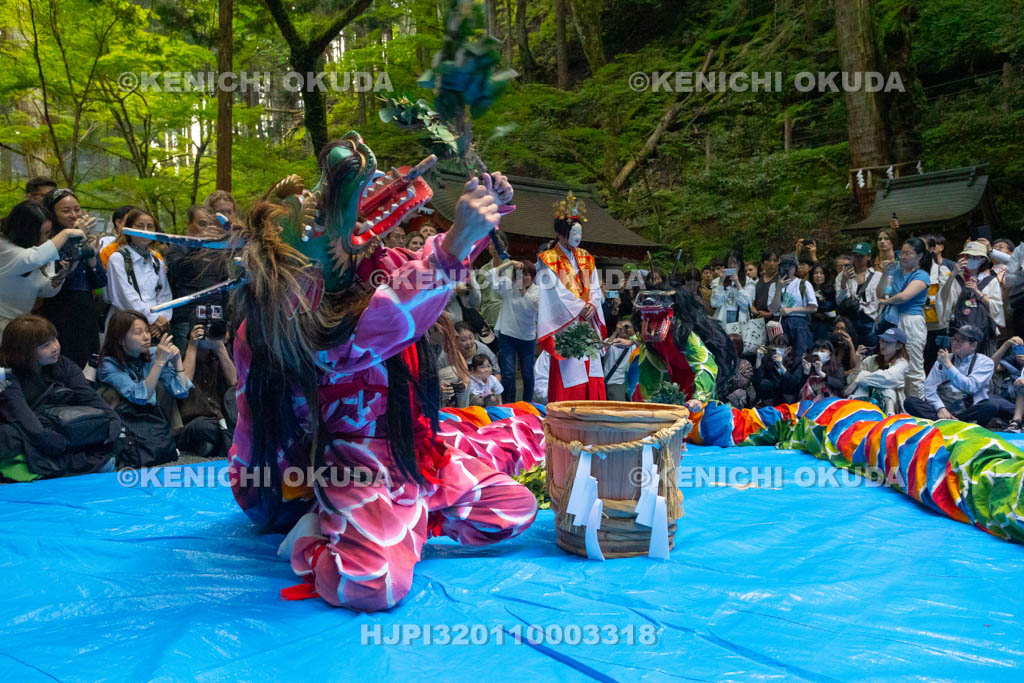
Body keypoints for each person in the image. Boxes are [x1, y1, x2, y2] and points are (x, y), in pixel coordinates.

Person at [0, 315, 121, 479]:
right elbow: (22, 415)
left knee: (104, 425)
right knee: (10, 438)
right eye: (45, 345)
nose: (55, 347)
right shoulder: (7, 373)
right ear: (26, 351)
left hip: (59, 422)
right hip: (29, 428)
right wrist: (46, 438)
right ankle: (86, 463)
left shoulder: (63, 364)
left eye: (54, 340)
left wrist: (112, 418)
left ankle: (80, 462)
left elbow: (87, 394)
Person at [96, 310, 192, 465]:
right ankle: (122, 447)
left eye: (147, 331)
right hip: (125, 416)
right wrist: (160, 363)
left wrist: (177, 360)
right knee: (109, 393)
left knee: (161, 385)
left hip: (148, 413)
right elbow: (139, 397)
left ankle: (168, 439)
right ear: (120, 339)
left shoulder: (154, 353)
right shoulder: (108, 364)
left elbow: (181, 392)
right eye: (138, 332)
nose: (146, 337)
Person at [536, 192, 606, 402]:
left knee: (591, 369)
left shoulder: (586, 257)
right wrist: (579, 307)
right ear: (560, 234)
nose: (577, 237)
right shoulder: (548, 259)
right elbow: (554, 292)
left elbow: (594, 285)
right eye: (572, 233)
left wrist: (593, 302)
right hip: (566, 323)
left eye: (579, 232)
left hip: (587, 321)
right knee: (570, 371)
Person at [36, 188, 106, 368]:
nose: (74, 215)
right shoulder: (48, 242)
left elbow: (100, 281)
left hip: (86, 309)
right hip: (60, 308)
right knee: (65, 362)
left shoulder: (86, 237)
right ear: (52, 213)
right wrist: (73, 237)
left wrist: (91, 257)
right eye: (66, 211)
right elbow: (55, 275)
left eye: (77, 209)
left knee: (89, 363)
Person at [0, 201, 81, 334]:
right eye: (40, 234)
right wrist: (66, 233)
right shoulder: (4, 246)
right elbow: (31, 259)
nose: (45, 239)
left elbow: (45, 291)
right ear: (24, 232)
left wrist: (58, 279)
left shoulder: (42, 252)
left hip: (20, 322)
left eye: (48, 233)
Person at [165, 205, 230, 353]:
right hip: (186, 319)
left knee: (216, 367)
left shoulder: (217, 252)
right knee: (184, 366)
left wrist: (227, 322)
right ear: (189, 224)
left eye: (209, 224)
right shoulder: (178, 247)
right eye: (202, 224)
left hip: (215, 317)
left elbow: (225, 287)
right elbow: (178, 270)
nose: (206, 228)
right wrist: (197, 245)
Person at [903, 325, 996, 426]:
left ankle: (947, 422)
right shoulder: (942, 359)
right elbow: (929, 387)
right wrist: (940, 408)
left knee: (989, 406)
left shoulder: (985, 362)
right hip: (944, 405)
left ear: (973, 345)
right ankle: (949, 421)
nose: (955, 343)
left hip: (967, 408)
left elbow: (970, 387)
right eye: (954, 339)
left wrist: (948, 365)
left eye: (961, 340)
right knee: (910, 402)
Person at [877, 237, 931, 399]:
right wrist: (886, 273)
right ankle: (898, 404)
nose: (904, 256)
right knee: (892, 362)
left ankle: (918, 405)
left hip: (911, 320)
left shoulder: (922, 275)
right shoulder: (895, 272)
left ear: (919, 256)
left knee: (914, 365)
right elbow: (881, 292)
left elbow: (904, 296)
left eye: (909, 253)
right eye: (902, 253)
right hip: (892, 319)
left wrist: (887, 301)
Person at [104, 209, 173, 331]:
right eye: (140, 226)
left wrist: (161, 321)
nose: (145, 231)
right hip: (126, 326)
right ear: (129, 229)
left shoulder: (157, 261)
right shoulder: (118, 259)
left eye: (150, 226)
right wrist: (153, 319)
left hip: (155, 328)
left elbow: (165, 295)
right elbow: (124, 297)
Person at [178, 321, 238, 458]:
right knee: (202, 428)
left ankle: (213, 446)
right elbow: (183, 385)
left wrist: (220, 348)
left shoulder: (220, 356)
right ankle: (225, 443)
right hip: (194, 422)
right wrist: (192, 345)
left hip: (221, 419)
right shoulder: (182, 357)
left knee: (239, 424)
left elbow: (234, 382)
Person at [940, 241, 1003, 353]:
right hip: (959, 329)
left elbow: (996, 307)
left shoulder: (990, 280)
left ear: (982, 260)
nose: (969, 259)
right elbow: (944, 298)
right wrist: (953, 274)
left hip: (983, 331)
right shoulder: (957, 278)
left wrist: (978, 292)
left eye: (974, 257)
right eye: (967, 256)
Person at [490, 259, 538, 403]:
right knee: (509, 373)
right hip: (508, 334)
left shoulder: (538, 291)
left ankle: (527, 404)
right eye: (521, 274)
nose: (524, 277)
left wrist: (522, 288)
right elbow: (492, 274)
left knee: (528, 373)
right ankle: (507, 403)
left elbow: (531, 306)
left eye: (528, 274)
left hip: (527, 337)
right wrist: (510, 263)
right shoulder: (508, 285)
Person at [845, 327, 910, 413]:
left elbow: (888, 378)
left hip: (891, 407)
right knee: (862, 386)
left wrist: (862, 376)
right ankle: (857, 414)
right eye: (882, 340)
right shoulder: (872, 360)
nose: (883, 344)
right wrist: (858, 364)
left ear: (899, 346)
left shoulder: (902, 364)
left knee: (889, 390)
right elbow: (850, 382)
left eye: (888, 342)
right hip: (868, 402)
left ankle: (888, 419)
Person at [768, 253, 817, 361]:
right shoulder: (774, 285)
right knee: (778, 354)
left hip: (799, 324)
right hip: (779, 323)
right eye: (783, 266)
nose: (786, 269)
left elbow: (813, 307)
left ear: (795, 268)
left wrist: (792, 310)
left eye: (789, 266)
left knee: (799, 355)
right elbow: (772, 309)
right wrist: (778, 289)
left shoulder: (804, 284)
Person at [836, 241, 881, 346]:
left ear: (868, 257)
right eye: (855, 256)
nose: (857, 259)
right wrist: (843, 281)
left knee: (868, 355)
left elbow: (879, 302)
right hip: (849, 322)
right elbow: (839, 301)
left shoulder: (878, 276)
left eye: (860, 256)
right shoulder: (842, 275)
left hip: (869, 321)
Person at [923, 235, 953, 372]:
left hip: (937, 324)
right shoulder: (908, 272)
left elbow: (948, 298)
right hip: (917, 324)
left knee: (937, 364)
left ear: (931, 249)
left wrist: (927, 301)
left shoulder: (942, 270)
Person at [710, 249, 756, 337]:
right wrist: (720, 283)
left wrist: (738, 284)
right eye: (729, 263)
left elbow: (746, 304)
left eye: (735, 263)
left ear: (740, 265)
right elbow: (715, 303)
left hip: (740, 321)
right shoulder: (717, 281)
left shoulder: (749, 282)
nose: (732, 266)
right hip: (722, 320)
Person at [601, 319, 635, 401]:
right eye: (622, 327)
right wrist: (616, 332)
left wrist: (632, 337)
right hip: (605, 382)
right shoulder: (610, 341)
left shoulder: (633, 346)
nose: (625, 329)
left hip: (618, 383)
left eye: (627, 327)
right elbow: (603, 347)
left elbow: (642, 343)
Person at [809, 264, 837, 343]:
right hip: (810, 324)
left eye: (821, 273)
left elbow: (834, 312)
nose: (818, 276)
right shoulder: (808, 289)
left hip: (825, 325)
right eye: (815, 273)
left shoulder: (830, 291)